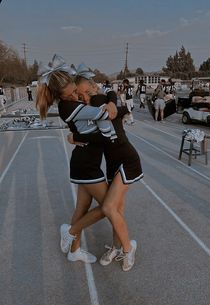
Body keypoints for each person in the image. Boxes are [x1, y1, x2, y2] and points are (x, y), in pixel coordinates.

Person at [36, 55, 143, 271]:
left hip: (86, 164)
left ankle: (74, 251)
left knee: (82, 208)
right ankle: (75, 232)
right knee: (107, 208)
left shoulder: (73, 102)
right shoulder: (68, 106)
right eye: (72, 91)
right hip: (87, 166)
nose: (76, 93)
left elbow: (99, 115)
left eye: (77, 88)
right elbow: (106, 115)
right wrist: (112, 106)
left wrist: (109, 100)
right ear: (61, 94)